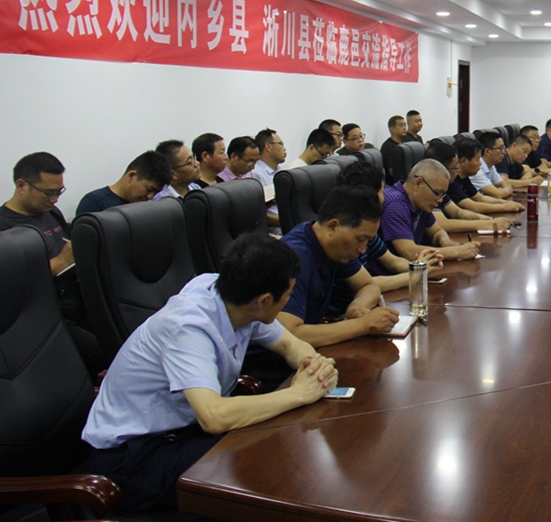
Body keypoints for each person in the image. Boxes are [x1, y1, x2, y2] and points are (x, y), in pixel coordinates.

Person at [82, 234, 339, 512]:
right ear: (265, 300)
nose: (289, 300)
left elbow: (289, 344)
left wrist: (314, 366)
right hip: (134, 456)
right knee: (264, 470)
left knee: (277, 443)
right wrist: (299, 393)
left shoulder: (233, 296)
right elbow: (214, 417)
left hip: (181, 432)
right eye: (288, 293)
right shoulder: (188, 328)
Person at [241, 186, 400, 390]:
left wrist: (357, 307)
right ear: (333, 226)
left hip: (311, 355)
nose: (362, 250)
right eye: (360, 240)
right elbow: (290, 334)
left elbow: (368, 285)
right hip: (272, 369)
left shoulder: (335, 247)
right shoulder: (296, 257)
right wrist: (362, 325)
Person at [0, 152, 104, 379]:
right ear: (21, 186)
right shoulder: (4, 228)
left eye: (59, 192)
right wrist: (60, 262)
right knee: (98, 351)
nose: (55, 199)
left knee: (123, 333)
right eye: (48, 193)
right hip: (50, 310)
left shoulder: (50, 212)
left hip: (80, 294)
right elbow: (11, 289)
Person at [333, 162, 443, 295]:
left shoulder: (366, 229)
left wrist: (419, 266)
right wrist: (416, 274)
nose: (384, 198)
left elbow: (393, 262)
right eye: (382, 191)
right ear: (368, 196)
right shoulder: (344, 235)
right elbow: (366, 284)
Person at [380, 159, 481, 262]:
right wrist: (457, 251)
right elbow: (408, 252)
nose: (440, 200)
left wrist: (444, 241)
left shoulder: (419, 201)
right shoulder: (395, 205)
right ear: (418, 184)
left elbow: (436, 231)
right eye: (437, 193)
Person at [425, 141, 515, 233]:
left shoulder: (444, 187)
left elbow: (458, 212)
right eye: (456, 166)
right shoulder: (430, 190)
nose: (458, 170)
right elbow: (443, 224)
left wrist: (489, 220)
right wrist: (486, 224)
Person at [76, 151, 171, 215]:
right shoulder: (95, 203)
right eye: (149, 189)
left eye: (156, 192)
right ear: (132, 176)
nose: (151, 197)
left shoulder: (145, 208)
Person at [451, 138, 525, 215]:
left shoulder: (464, 178)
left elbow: (480, 198)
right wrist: (505, 207)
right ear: (463, 161)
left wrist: (505, 203)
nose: (480, 163)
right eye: (477, 159)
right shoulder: (452, 181)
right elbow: (474, 207)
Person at [252, 128, 287, 231]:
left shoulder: (282, 172)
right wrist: (288, 221)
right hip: (274, 232)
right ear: (268, 147)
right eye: (280, 144)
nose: (284, 148)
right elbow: (258, 213)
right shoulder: (256, 174)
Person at [470, 131, 514, 198]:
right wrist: (506, 190)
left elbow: (503, 184)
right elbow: (499, 194)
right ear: (487, 151)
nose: (503, 152)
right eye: (500, 148)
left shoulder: (490, 166)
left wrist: (504, 190)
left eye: (503, 148)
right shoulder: (476, 169)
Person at [379, 115, 408, 184]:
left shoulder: (405, 143)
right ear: (392, 129)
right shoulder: (387, 147)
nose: (404, 128)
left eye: (405, 125)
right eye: (401, 125)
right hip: (394, 184)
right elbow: (392, 171)